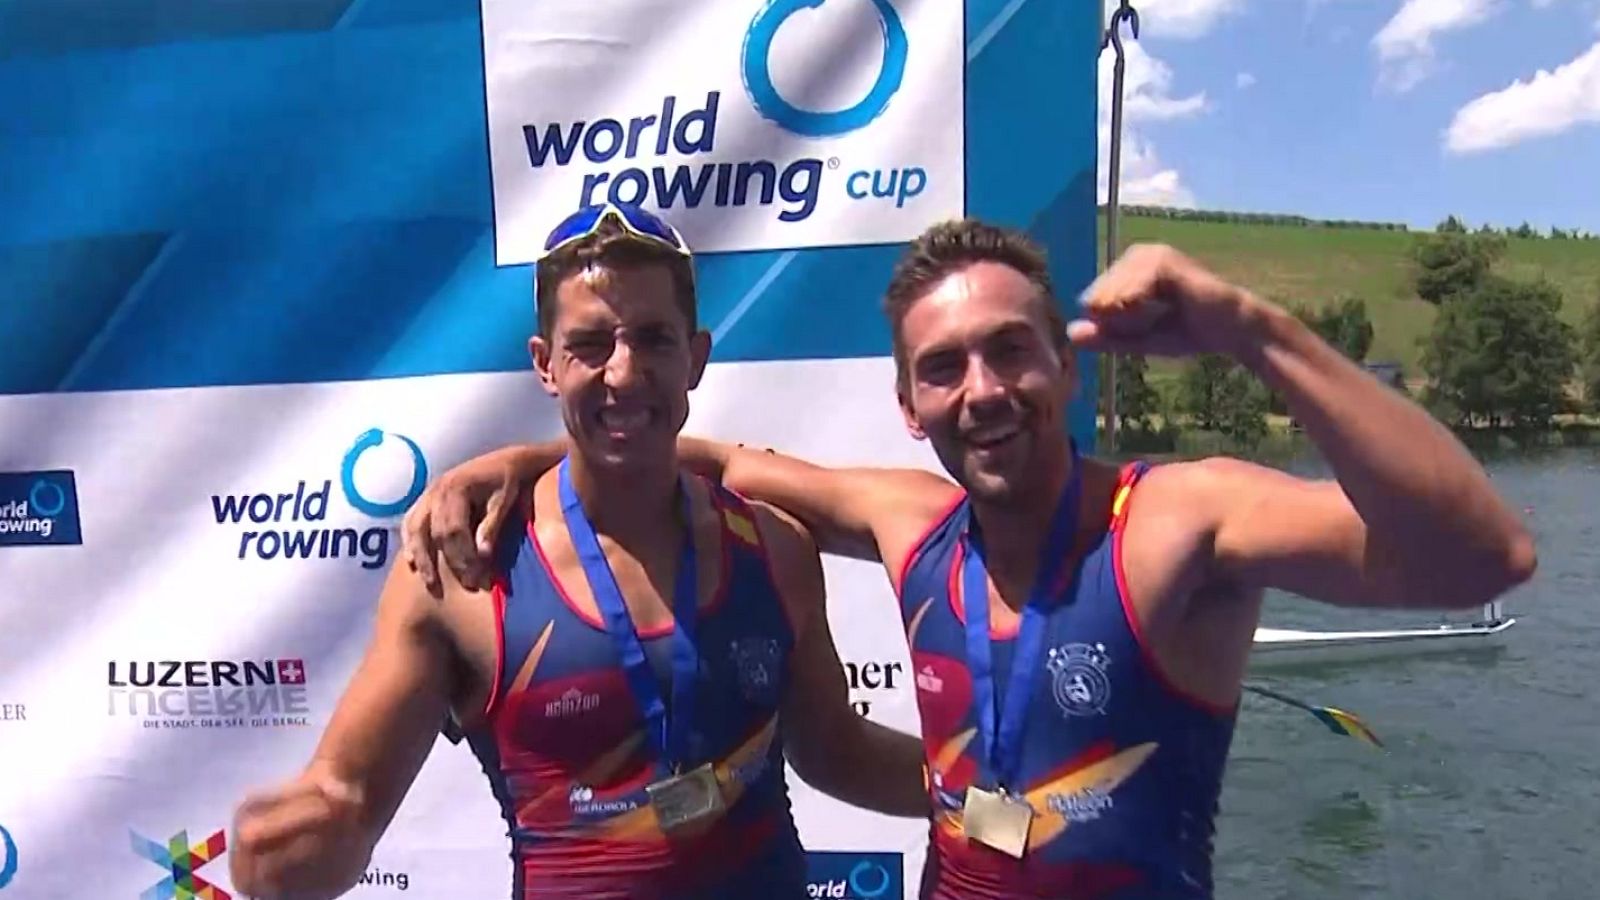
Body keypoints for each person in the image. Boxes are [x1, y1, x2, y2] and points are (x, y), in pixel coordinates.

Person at [402, 219, 1538, 899]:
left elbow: (1480, 555)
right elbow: (688, 451)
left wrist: (1254, 330)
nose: (982, 391)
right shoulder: (908, 524)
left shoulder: (1180, 522)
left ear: (1066, 368)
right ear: (907, 406)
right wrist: (513, 461)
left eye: (1011, 352)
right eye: (944, 368)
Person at [227, 202, 928, 900]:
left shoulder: (775, 547)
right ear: (546, 365)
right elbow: (345, 794)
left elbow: (837, 751)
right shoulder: (465, 573)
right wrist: (305, 839)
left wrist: (1001, 801)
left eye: (653, 340)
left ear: (697, 357)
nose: (623, 373)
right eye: (591, 344)